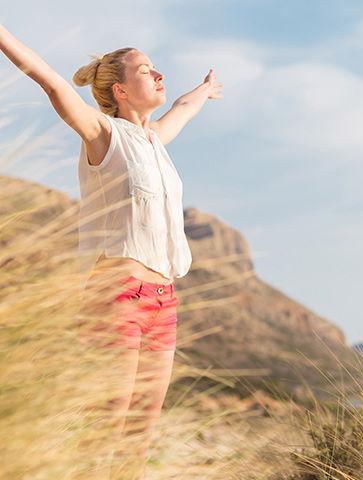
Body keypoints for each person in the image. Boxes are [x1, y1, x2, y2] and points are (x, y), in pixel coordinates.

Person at [0, 23, 223, 479]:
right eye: (146, 70)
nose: (159, 74)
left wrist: (202, 90)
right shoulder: (103, 134)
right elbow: (50, 79)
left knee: (142, 429)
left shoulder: (156, 140)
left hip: (164, 303)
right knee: (108, 421)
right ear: (120, 89)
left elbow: (182, 106)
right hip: (117, 297)